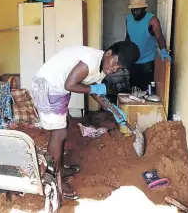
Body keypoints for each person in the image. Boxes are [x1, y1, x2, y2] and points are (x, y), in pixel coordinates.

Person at [31, 41, 140, 200]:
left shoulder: (102, 70)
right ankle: (55, 177)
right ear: (108, 53)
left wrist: (114, 110)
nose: (114, 69)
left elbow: (96, 93)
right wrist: (94, 89)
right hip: (48, 85)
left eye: (119, 68)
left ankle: (60, 167)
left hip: (58, 88)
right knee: (59, 133)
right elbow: (70, 84)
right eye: (115, 63)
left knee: (63, 127)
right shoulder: (91, 60)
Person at [125, 0, 171, 91]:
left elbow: (160, 37)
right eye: (132, 10)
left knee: (147, 91)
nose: (134, 12)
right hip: (133, 61)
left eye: (137, 10)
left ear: (144, 8)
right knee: (134, 92)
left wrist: (163, 51)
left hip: (148, 62)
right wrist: (125, 54)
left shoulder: (152, 20)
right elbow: (128, 37)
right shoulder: (128, 19)